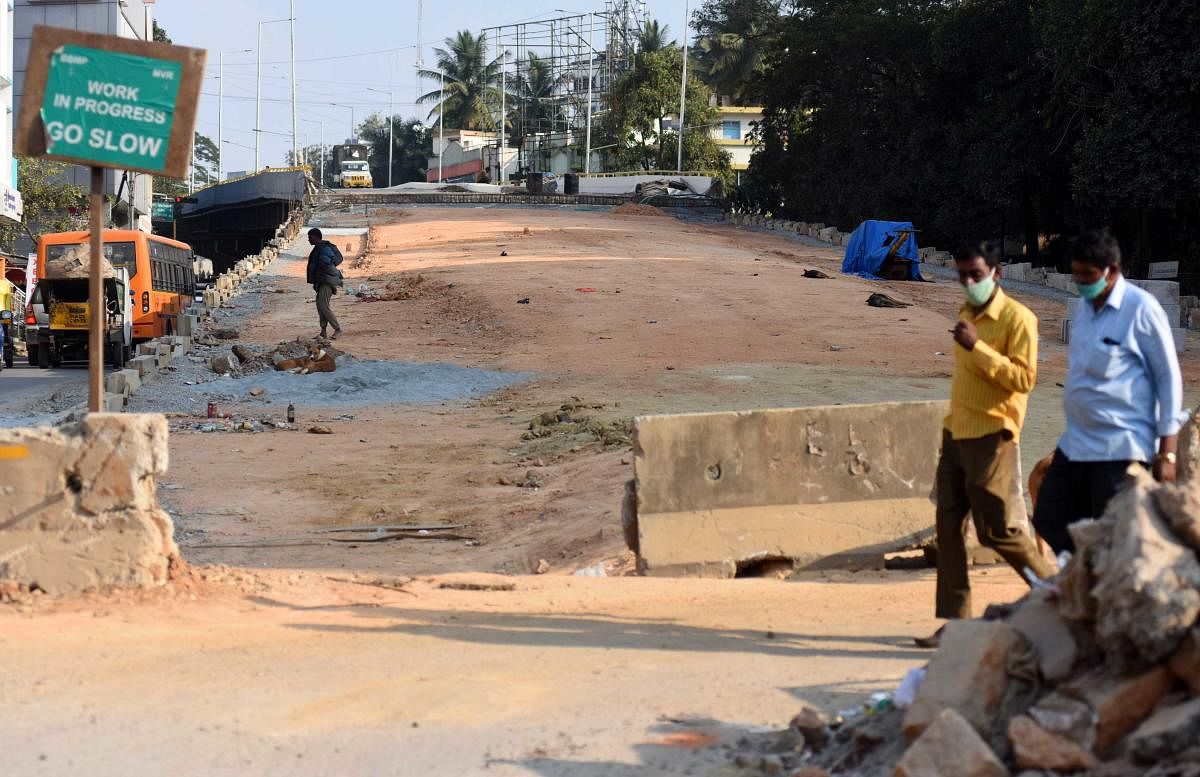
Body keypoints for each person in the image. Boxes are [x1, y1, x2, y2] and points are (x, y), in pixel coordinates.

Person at [916, 244, 1057, 649]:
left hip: (992, 435)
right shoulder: (966, 313)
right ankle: (956, 622)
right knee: (948, 526)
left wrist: (978, 347)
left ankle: (1056, 591)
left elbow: (1023, 380)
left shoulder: (1018, 319)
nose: (969, 283)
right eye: (963, 275)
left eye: (976, 274)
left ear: (996, 272)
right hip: (956, 431)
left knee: (997, 530)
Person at [1032, 229, 1185, 553]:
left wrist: (1167, 452)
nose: (1082, 282)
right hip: (1078, 442)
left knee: (1112, 532)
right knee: (1049, 516)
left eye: (1088, 275)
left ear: (1112, 271)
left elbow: (1168, 377)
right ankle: (1088, 575)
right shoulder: (1086, 309)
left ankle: (1109, 588)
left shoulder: (1141, 308)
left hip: (1121, 446)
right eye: (1077, 275)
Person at [306, 228, 343, 340]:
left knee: (323, 305)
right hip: (323, 281)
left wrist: (329, 284)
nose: (308, 240)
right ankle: (323, 332)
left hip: (326, 282)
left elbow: (327, 266)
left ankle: (337, 329)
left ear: (316, 237)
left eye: (310, 237)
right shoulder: (319, 248)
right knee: (320, 305)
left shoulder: (323, 249)